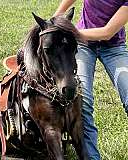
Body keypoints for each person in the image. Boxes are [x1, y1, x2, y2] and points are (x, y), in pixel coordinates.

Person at [53, 0, 128, 159]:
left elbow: (108, 32)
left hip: (114, 48)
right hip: (84, 46)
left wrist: (68, 31)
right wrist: (55, 18)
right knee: (83, 100)